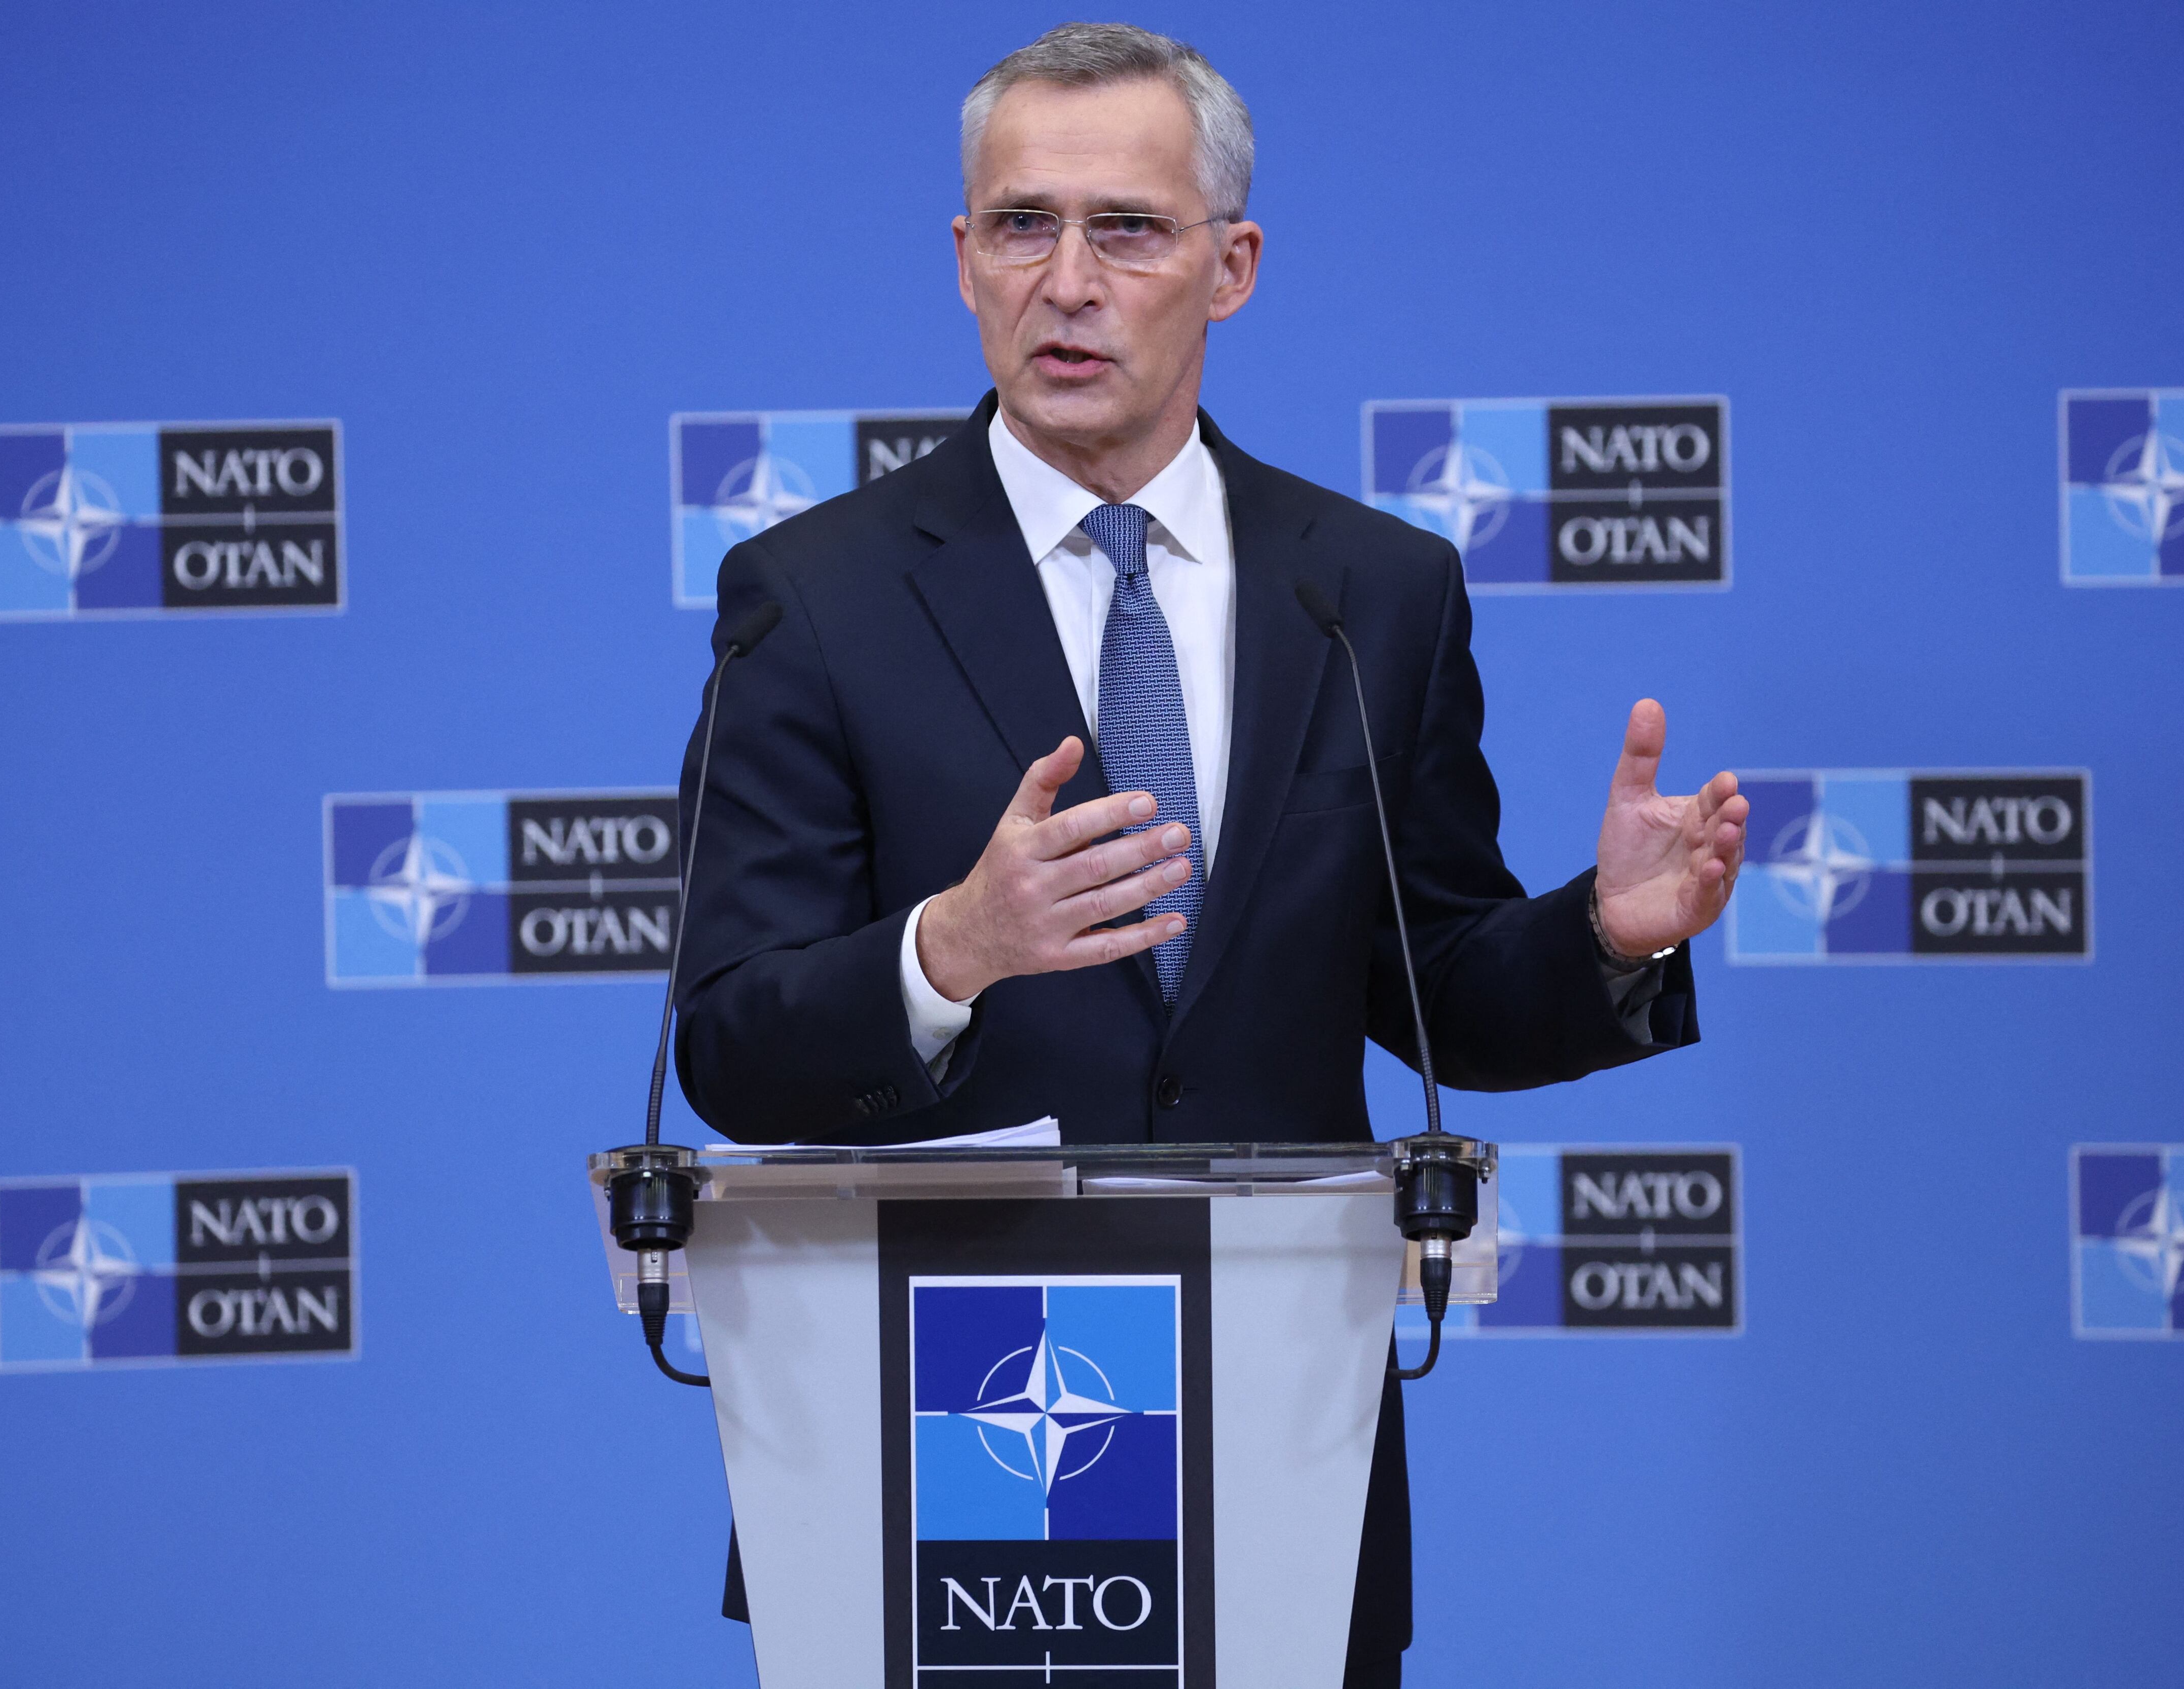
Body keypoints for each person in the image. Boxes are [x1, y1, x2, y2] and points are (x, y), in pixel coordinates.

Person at [674, 23, 1749, 1686]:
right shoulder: (814, 598)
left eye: (1127, 229)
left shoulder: (1370, 591)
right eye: (1022, 226)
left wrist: (1608, 934)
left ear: (1231, 267)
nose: (1068, 282)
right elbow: (732, 1045)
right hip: (948, 1422)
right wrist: (951, 952)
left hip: (1280, 1435)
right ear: (962, 260)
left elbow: (1440, 988)